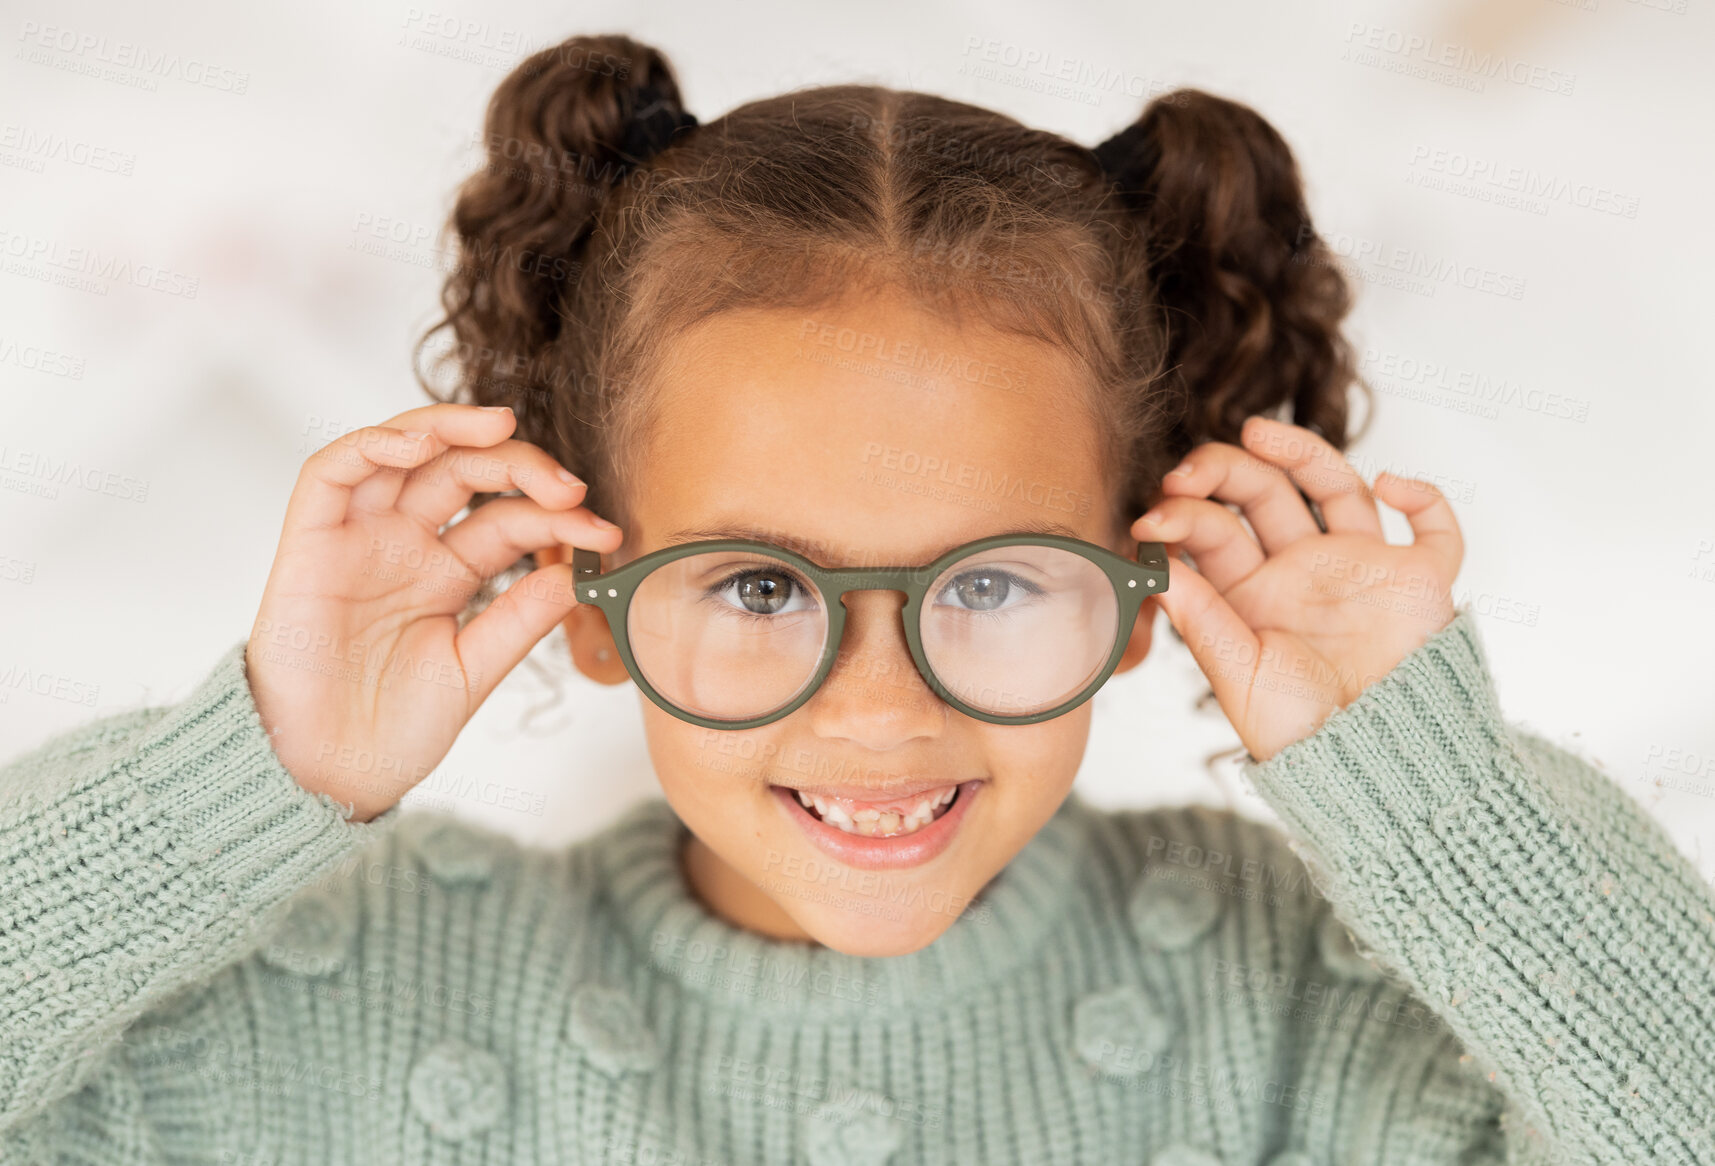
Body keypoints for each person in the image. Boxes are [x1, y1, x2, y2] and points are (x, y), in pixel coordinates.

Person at [3, 32, 1710, 1166]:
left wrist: (1433, 796)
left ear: (1140, 582)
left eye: (989, 579)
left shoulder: (1312, 1003)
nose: (879, 705)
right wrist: (258, 765)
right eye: (757, 581)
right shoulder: (347, 994)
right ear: (587, 591)